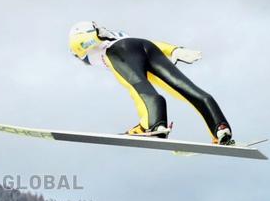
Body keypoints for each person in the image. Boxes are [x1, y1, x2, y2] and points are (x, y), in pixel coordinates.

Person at [68, 21, 234, 145]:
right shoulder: (115, 35)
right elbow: (141, 42)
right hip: (145, 46)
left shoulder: (88, 53)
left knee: (138, 86)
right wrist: (174, 49)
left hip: (120, 51)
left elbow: (82, 36)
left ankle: (153, 125)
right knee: (184, 88)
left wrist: (96, 33)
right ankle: (220, 127)